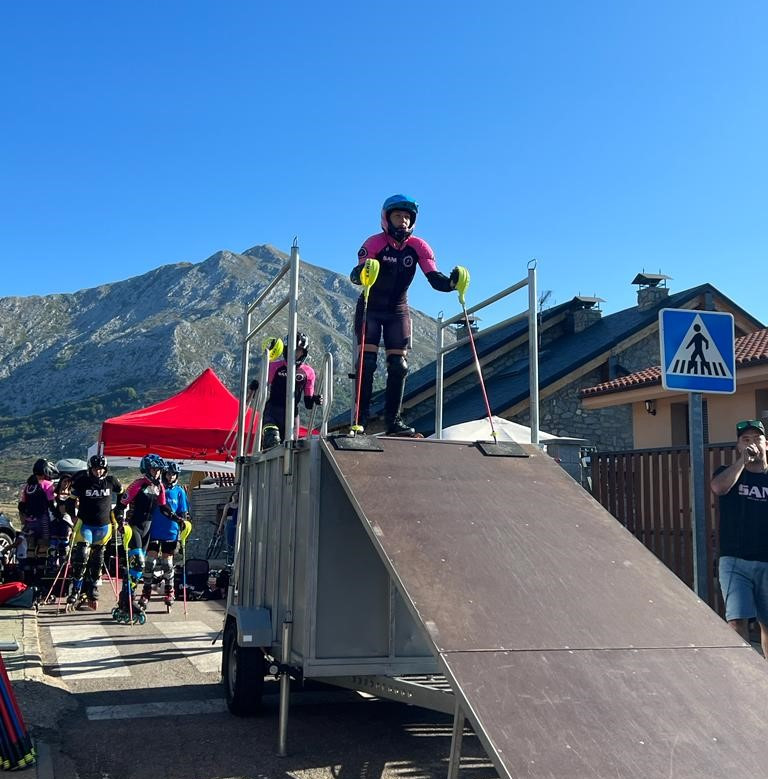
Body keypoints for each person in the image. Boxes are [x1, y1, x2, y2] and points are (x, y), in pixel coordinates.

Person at [352, 194, 467, 434]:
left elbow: (435, 279)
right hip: (371, 308)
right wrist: (361, 272)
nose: (403, 221)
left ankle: (393, 422)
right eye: (398, 215)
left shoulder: (419, 246)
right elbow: (357, 275)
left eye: (407, 217)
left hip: (397, 311)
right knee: (367, 363)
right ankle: (359, 421)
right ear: (387, 218)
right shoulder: (374, 243)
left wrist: (453, 283)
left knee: (399, 366)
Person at [711, 419, 768, 658]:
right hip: (735, 561)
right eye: (745, 439)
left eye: (756, 438)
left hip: (767, 561)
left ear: (767, 444)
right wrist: (742, 463)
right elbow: (718, 488)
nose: (751, 443)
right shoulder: (728, 472)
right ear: (738, 446)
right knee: (736, 622)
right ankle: (744, 675)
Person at [68, 455, 125, 609]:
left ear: (105, 469)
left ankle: (93, 588)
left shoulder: (111, 481)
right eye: (95, 469)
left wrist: (119, 511)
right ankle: (75, 589)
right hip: (86, 524)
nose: (98, 472)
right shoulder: (82, 482)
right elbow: (70, 500)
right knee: (82, 556)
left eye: (101, 469)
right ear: (90, 469)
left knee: (98, 559)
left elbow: (123, 496)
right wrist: (72, 516)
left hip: (103, 526)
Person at [258, 332, 323, 450]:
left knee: (290, 451)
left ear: (304, 352)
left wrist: (315, 398)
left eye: (298, 350)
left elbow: (308, 403)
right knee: (271, 439)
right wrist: (255, 384)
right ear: (286, 349)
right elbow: (260, 384)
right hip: (272, 412)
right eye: (292, 349)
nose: (294, 353)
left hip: (292, 416)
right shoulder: (274, 367)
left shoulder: (308, 372)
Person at [139, 461, 190, 609]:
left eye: (173, 474)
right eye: (168, 473)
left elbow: (183, 513)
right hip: (154, 530)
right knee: (149, 562)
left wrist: (184, 524)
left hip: (171, 532)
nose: (170, 476)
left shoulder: (179, 491)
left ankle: (170, 591)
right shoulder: (156, 488)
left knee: (167, 564)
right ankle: (146, 592)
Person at [120, 454, 171, 603]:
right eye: (154, 469)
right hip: (134, 526)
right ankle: (127, 595)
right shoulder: (138, 484)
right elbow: (121, 505)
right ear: (147, 469)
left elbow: (163, 508)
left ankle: (130, 594)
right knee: (138, 562)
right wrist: (119, 520)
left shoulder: (159, 487)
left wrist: (178, 519)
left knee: (138, 568)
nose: (157, 472)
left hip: (147, 530)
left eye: (159, 470)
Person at [17, 458, 57, 588]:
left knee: (30, 550)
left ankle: (28, 582)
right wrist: (59, 516)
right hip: (43, 521)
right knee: (42, 550)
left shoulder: (28, 486)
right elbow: (52, 505)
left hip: (29, 522)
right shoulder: (47, 485)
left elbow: (21, 505)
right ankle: (39, 582)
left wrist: (26, 516)